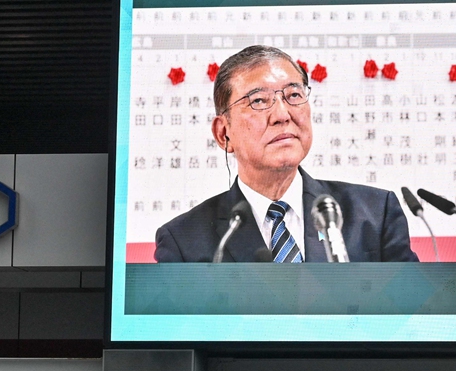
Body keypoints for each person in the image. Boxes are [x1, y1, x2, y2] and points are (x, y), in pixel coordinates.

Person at [154, 45, 418, 264]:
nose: (283, 115)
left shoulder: (374, 214)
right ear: (224, 133)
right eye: (258, 101)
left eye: (294, 95)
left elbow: (415, 315)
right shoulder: (183, 242)